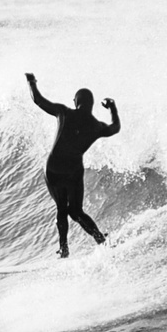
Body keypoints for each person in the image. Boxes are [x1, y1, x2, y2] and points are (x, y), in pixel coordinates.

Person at [25, 73, 119, 256]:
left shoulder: (64, 112)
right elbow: (115, 128)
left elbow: (37, 99)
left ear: (76, 102)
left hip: (55, 168)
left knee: (61, 207)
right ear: (91, 104)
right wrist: (113, 108)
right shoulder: (96, 126)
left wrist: (31, 81)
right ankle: (100, 239)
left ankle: (64, 248)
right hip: (73, 171)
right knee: (76, 211)